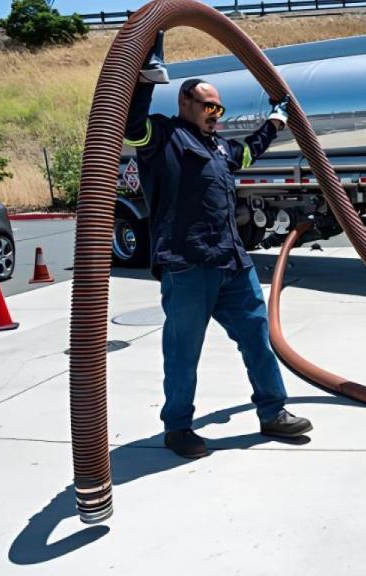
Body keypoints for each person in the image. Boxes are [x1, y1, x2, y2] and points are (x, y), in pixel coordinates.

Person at [124, 32, 312, 459]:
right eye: (209, 107)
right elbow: (130, 126)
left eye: (219, 108)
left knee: (258, 338)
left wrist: (276, 123)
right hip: (187, 267)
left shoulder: (218, 146)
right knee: (183, 352)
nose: (216, 114)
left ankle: (273, 412)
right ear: (185, 104)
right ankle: (177, 428)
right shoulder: (162, 138)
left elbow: (246, 155)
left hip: (231, 262)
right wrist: (146, 79)